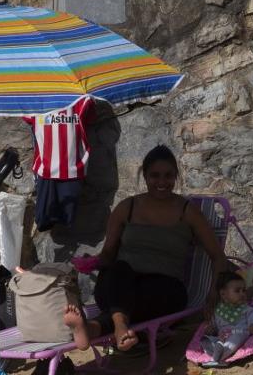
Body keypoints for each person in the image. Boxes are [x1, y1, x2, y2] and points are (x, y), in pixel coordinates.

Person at [63, 145, 231, 351]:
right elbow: (108, 255)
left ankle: (95, 328)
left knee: (125, 301)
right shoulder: (127, 208)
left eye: (168, 176)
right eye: (155, 176)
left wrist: (214, 293)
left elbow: (218, 256)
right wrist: (92, 262)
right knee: (119, 270)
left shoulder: (188, 212)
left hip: (164, 290)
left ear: (176, 176)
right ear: (145, 176)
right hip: (119, 283)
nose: (162, 182)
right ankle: (120, 327)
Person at [197, 271, 253, 367]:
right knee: (206, 340)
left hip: (238, 332)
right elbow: (214, 325)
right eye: (237, 291)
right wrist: (211, 329)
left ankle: (219, 356)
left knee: (236, 337)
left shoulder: (246, 309)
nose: (242, 294)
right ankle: (216, 350)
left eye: (244, 290)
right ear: (223, 294)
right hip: (222, 337)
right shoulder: (219, 310)